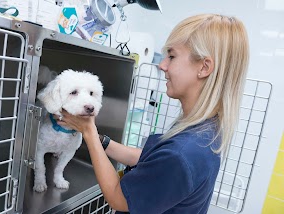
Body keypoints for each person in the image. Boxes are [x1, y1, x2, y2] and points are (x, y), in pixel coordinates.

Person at [56, 14, 249, 214]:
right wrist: (99, 139)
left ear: (204, 67)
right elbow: (153, 160)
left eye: (172, 56)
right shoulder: (204, 129)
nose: (162, 65)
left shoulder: (182, 154)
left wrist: (88, 132)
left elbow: (117, 198)